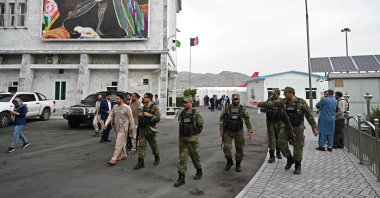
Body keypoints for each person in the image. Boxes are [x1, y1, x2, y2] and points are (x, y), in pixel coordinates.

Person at [258, 87, 318, 174]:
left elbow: (309, 115)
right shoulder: (283, 102)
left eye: (286, 93)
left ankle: (298, 165)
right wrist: (260, 104)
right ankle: (289, 159)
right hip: (285, 127)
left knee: (298, 147)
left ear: (291, 93)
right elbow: (272, 104)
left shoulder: (301, 102)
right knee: (281, 143)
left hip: (298, 128)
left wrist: (314, 128)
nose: (284, 94)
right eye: (284, 93)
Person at [174, 97, 204, 187]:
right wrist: (180, 140)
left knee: (195, 157)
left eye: (186, 102)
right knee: (182, 159)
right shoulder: (181, 114)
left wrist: (194, 133)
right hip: (183, 140)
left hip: (192, 140)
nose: (184, 104)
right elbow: (180, 127)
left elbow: (201, 125)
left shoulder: (196, 114)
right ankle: (181, 178)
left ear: (191, 103)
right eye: (183, 103)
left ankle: (199, 170)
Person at [219, 94, 253, 172]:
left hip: (239, 132)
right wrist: (221, 129)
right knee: (226, 148)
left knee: (240, 149)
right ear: (232, 100)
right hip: (228, 131)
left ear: (239, 100)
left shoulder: (242, 109)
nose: (235, 101)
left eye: (237, 99)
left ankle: (238, 164)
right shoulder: (227, 108)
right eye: (234, 99)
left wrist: (250, 130)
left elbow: (247, 120)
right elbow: (222, 119)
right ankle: (229, 161)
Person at [104, 94, 135, 165]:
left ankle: (113, 159)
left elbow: (131, 118)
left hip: (123, 128)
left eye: (118, 99)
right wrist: (106, 124)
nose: (116, 100)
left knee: (118, 143)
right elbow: (110, 116)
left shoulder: (127, 108)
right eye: (116, 99)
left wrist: (132, 127)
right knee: (122, 142)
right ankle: (123, 155)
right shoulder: (115, 107)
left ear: (122, 99)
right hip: (116, 128)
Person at [134, 93, 161, 170]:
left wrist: (149, 115)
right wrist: (141, 114)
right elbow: (140, 114)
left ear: (149, 98)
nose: (144, 98)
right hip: (142, 128)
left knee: (153, 144)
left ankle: (157, 156)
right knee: (141, 145)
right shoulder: (143, 107)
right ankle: (141, 162)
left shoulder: (154, 107)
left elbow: (158, 118)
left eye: (145, 97)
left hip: (150, 129)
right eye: (144, 97)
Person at [261, 88, 282, 163]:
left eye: (275, 94)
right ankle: (272, 156)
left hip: (279, 123)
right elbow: (263, 109)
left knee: (279, 138)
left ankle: (278, 152)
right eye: (272, 94)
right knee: (272, 139)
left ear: (278, 94)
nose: (273, 95)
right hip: (270, 123)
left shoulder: (282, 101)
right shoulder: (268, 101)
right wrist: (263, 108)